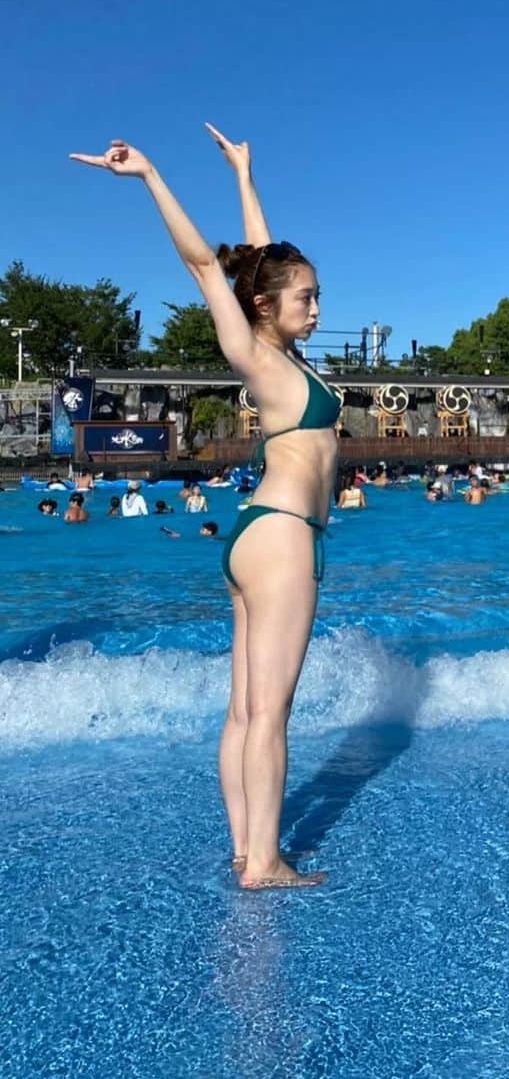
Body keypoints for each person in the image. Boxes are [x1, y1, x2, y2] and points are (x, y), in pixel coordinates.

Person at [72, 124, 335, 891]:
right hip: (286, 538)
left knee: (243, 711)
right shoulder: (256, 355)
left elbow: (257, 257)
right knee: (271, 715)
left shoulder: (281, 357)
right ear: (269, 306)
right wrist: (151, 175)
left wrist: (245, 176)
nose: (316, 308)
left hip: (258, 536)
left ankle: (242, 849)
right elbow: (204, 267)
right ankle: (267, 862)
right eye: (307, 298)